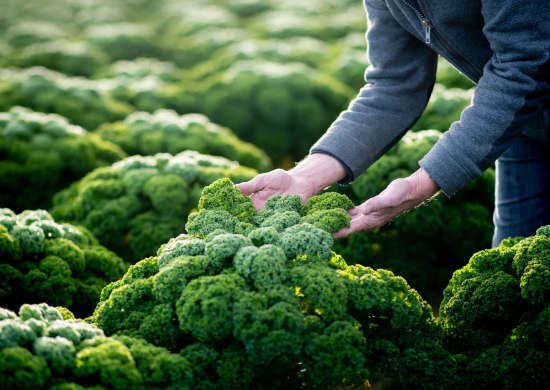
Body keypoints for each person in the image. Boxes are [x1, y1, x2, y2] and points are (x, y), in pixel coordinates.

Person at [237, 0, 550, 247]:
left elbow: (523, 64)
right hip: (524, 127)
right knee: (514, 284)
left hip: (521, 103)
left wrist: (421, 184)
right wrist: (304, 177)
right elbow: (395, 82)